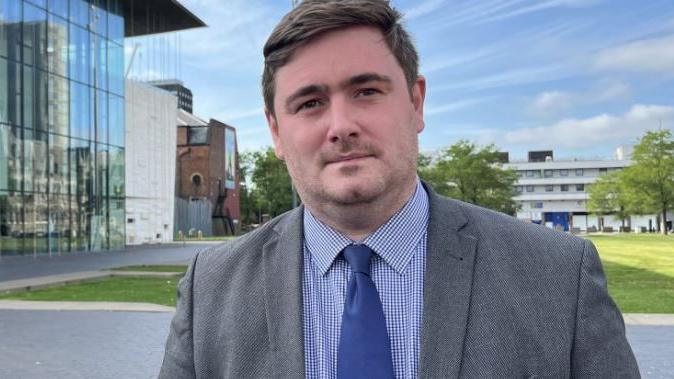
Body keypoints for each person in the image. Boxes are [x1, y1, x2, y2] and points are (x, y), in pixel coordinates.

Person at [160, 1, 640, 378]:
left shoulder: (557, 276)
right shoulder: (213, 287)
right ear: (276, 132)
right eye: (309, 103)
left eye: (367, 91)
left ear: (416, 102)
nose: (341, 126)